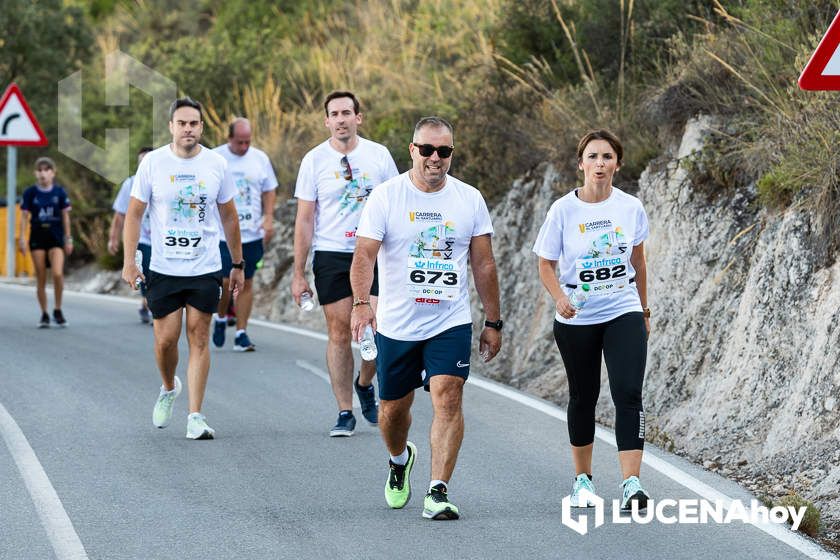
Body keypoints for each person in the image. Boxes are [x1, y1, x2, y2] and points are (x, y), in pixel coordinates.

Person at [350, 116, 502, 520]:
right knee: (391, 412)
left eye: (445, 151)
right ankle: (399, 461)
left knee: (449, 396)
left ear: (452, 153)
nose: (436, 158)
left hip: (449, 319)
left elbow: (483, 264)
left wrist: (493, 321)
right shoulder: (386, 196)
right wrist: (362, 303)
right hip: (398, 325)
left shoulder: (469, 198)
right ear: (413, 150)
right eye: (428, 150)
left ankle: (438, 491)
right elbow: (364, 255)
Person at [533, 129, 652, 512]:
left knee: (628, 392)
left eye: (607, 157)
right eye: (593, 156)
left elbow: (638, 263)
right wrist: (560, 298)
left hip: (623, 310)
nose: (600, 164)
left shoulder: (630, 207)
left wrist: (644, 310)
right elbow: (545, 264)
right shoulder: (563, 210)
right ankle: (583, 481)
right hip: (577, 317)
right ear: (581, 162)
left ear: (617, 163)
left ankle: (631, 484)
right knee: (582, 397)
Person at [121, 97, 244, 440]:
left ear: (202, 128)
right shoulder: (154, 164)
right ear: (171, 127)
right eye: (182, 123)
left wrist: (237, 263)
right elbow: (134, 213)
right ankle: (167, 386)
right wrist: (130, 261)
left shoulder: (216, 164)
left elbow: (229, 216)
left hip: (204, 266)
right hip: (163, 267)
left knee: (200, 337)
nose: (188, 129)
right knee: (165, 340)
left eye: (194, 123)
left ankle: (195, 416)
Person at [292, 91, 399, 436]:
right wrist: (298, 272)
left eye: (346, 113)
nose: (340, 119)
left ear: (358, 118)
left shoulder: (379, 156)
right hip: (332, 254)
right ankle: (344, 412)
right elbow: (305, 219)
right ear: (326, 121)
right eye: (334, 114)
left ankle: (365, 383)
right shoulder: (313, 161)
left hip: (375, 252)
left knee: (378, 329)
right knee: (340, 332)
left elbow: (396, 205)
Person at [211, 118, 278, 351]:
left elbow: (270, 189)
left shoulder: (260, 158)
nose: (244, 147)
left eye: (247, 142)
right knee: (227, 280)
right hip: (222, 234)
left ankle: (241, 332)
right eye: (239, 142)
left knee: (247, 282)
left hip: (251, 233)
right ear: (229, 138)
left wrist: (268, 217)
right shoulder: (215, 158)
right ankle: (220, 317)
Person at [19, 157, 73, 328]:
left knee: (57, 273)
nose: (43, 173)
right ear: (36, 173)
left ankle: (58, 308)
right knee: (41, 277)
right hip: (37, 237)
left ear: (53, 173)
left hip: (56, 237)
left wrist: (68, 238)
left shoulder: (59, 192)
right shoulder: (30, 193)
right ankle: (44, 313)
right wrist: (21, 237)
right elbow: (24, 216)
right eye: (40, 170)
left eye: (46, 170)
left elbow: (65, 216)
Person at [108, 146, 154, 323]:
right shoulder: (130, 184)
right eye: (141, 162)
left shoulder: (163, 181)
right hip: (141, 238)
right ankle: (150, 307)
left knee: (156, 275)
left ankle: (145, 304)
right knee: (145, 272)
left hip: (161, 240)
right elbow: (120, 214)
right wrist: (113, 238)